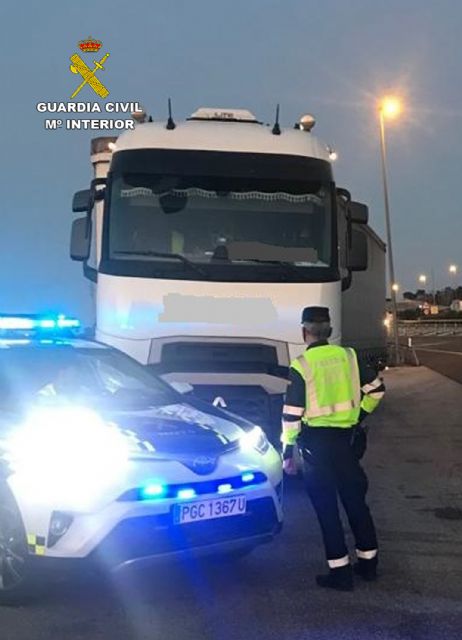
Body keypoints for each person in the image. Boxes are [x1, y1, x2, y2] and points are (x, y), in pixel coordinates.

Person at [282, 306, 385, 591]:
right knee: (356, 502)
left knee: (327, 509)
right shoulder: (349, 357)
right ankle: (368, 564)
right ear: (329, 331)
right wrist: (357, 416)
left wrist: (288, 453)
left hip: (317, 446)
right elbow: (376, 390)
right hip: (347, 443)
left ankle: (340, 572)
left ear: (304, 332)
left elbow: (292, 414)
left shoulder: (302, 365)